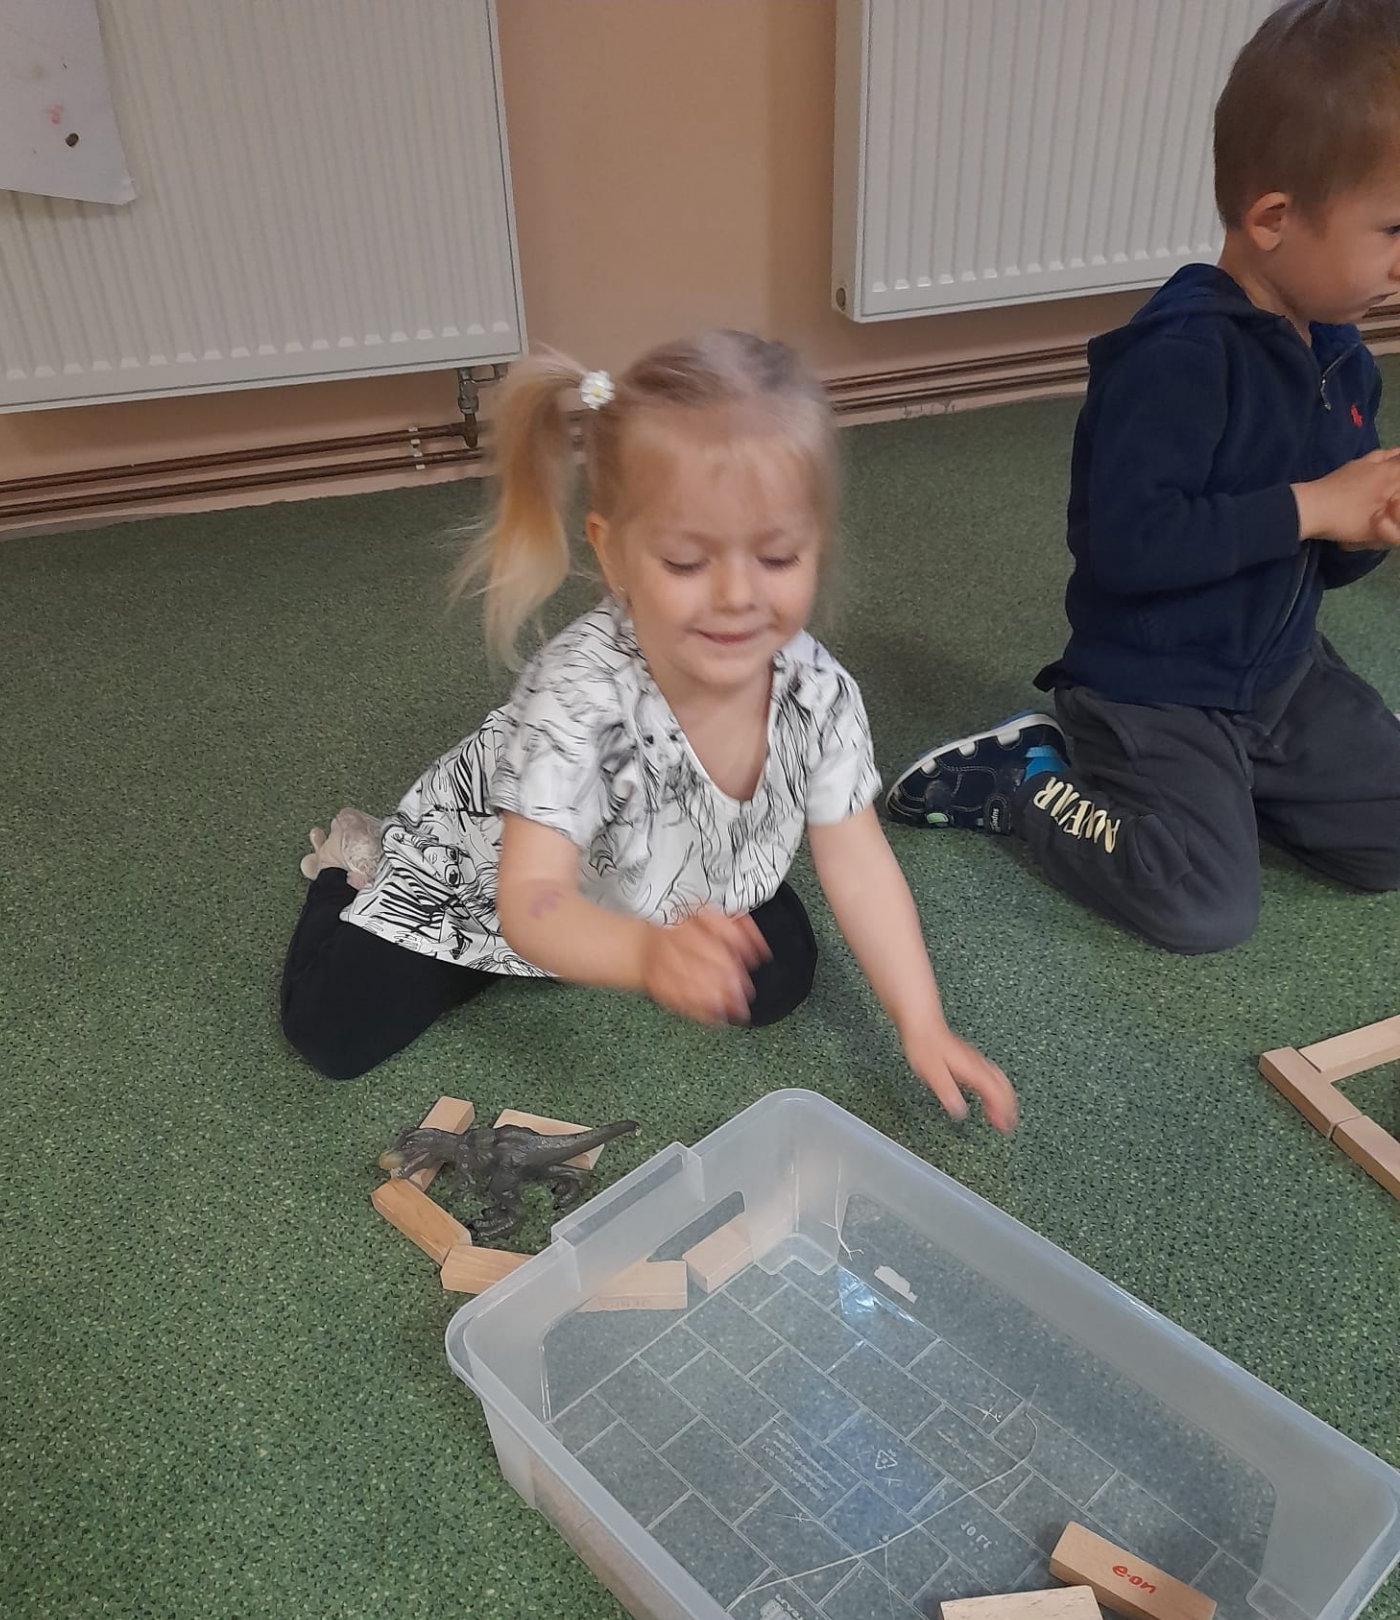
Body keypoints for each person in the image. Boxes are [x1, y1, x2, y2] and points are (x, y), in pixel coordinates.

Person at [282, 329, 1015, 1128]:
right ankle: (353, 864)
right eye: (687, 563)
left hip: (657, 870)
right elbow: (528, 899)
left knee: (781, 976)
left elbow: (859, 862)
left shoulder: (819, 691)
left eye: (776, 557)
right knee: (331, 1032)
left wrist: (921, 1020)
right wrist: (641, 955)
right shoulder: (577, 693)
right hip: (492, 878)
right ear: (615, 555)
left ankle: (625, 930)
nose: (737, 597)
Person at [887, 0, 1400, 954]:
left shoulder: (1341, 357)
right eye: (1395, 229)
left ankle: (1230, 792)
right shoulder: (1175, 357)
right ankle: (1029, 778)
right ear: (1276, 219)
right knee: (1203, 908)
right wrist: (1311, 506)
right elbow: (1129, 546)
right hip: (1158, 686)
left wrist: (1365, 526)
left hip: (1279, 670)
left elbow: (1324, 561)